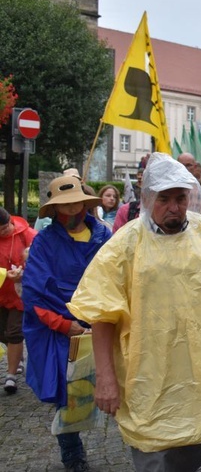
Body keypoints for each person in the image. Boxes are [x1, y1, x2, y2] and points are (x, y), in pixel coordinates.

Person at [66, 153, 201, 472]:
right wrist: (105, 378)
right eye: (164, 199)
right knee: (153, 450)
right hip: (148, 371)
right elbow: (103, 314)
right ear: (146, 199)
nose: (174, 206)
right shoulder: (125, 245)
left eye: (180, 198)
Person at [22, 175, 110, 472]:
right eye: (65, 206)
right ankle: (72, 455)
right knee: (67, 393)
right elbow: (34, 295)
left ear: (86, 204)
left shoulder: (104, 237)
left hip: (102, 325)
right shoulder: (44, 243)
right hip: (63, 331)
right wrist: (64, 325)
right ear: (55, 210)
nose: (72, 211)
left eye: (77, 205)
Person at [0, 207, 36, 394]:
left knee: (14, 332)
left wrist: (23, 272)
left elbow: (40, 259)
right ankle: (17, 357)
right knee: (3, 334)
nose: (3, 232)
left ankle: (11, 376)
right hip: (1, 293)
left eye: (5, 227)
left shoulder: (27, 234)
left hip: (20, 294)